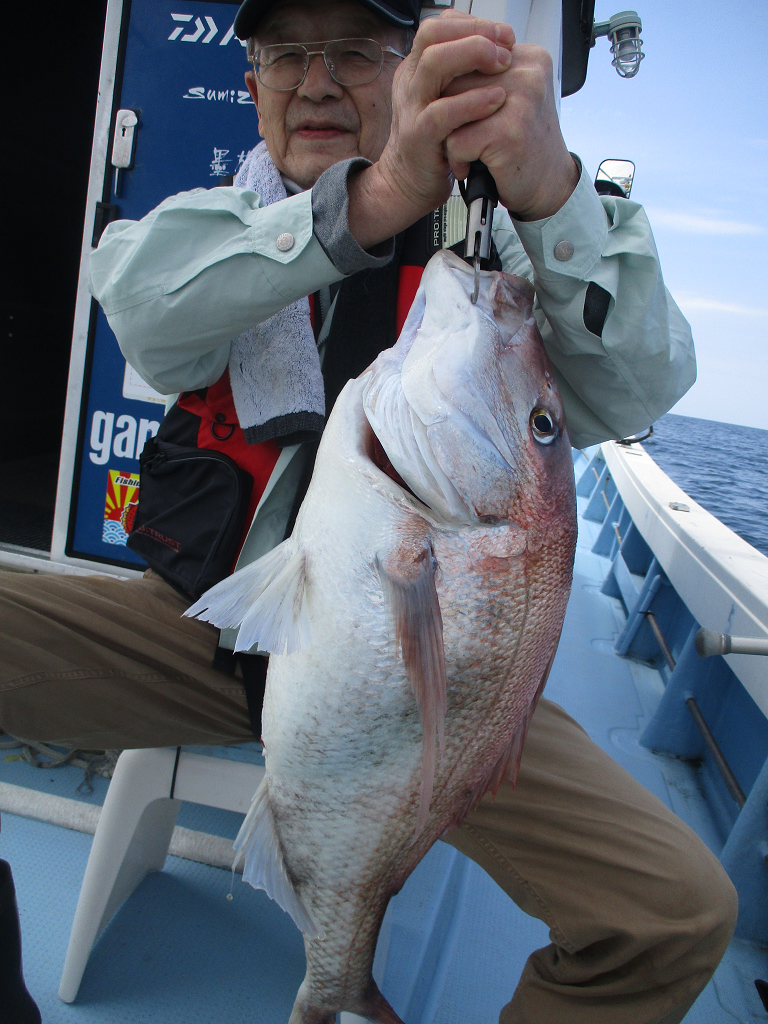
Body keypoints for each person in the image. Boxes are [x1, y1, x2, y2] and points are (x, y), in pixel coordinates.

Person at [0, 0, 736, 1020]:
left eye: (351, 51)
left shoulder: (498, 259)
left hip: (427, 700)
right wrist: (375, 199)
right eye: (284, 56)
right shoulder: (229, 224)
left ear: (404, 71)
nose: (312, 82)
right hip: (205, 636)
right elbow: (143, 308)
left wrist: (557, 197)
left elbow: (640, 387)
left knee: (677, 912)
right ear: (249, 86)